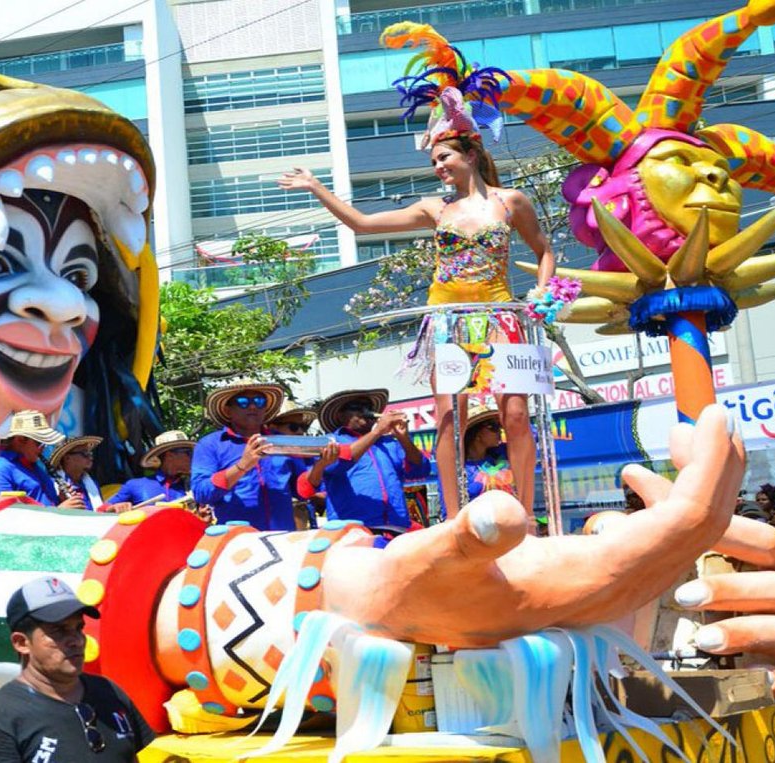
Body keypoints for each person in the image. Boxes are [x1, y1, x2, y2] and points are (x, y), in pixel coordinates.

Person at [277, 28, 554, 522]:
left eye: (443, 157)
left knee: (515, 415)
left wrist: (542, 291)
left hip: (501, 316)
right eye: (433, 162)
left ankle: (528, 514)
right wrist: (317, 187)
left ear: (469, 154)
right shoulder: (433, 209)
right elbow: (361, 223)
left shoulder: (509, 202)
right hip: (448, 319)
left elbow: (544, 249)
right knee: (451, 417)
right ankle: (455, 516)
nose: (438, 168)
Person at [0, 576, 154, 762]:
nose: (76, 640)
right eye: (58, 631)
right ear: (22, 643)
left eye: (79, 628)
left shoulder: (109, 693)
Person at [190, 383, 319, 531]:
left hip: (282, 537)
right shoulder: (210, 444)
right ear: (228, 410)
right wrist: (242, 466)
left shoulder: (283, 441)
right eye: (243, 402)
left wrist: (320, 465)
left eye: (259, 401)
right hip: (237, 540)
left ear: (265, 408)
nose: (253, 407)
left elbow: (303, 492)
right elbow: (201, 493)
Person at [300, 389, 430, 528]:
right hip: (354, 529)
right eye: (357, 407)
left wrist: (403, 438)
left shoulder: (389, 443)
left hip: (397, 526)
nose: (365, 411)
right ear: (340, 415)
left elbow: (420, 470)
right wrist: (377, 431)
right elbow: (337, 464)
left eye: (369, 407)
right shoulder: (332, 440)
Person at [0, 410, 79, 508]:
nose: (43, 448)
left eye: (45, 444)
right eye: (39, 443)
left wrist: (61, 499)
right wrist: (59, 511)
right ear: (20, 439)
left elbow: (44, 505)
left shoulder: (36, 469)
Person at [112, 431, 198, 512]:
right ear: (170, 455)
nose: (193, 457)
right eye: (188, 452)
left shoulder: (195, 485)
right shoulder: (135, 485)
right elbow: (101, 510)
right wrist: (116, 507)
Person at [49, 437, 127, 513]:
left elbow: (97, 510)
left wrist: (111, 509)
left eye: (90, 453)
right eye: (85, 453)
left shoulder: (91, 483)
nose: (90, 457)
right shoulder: (52, 485)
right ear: (67, 458)